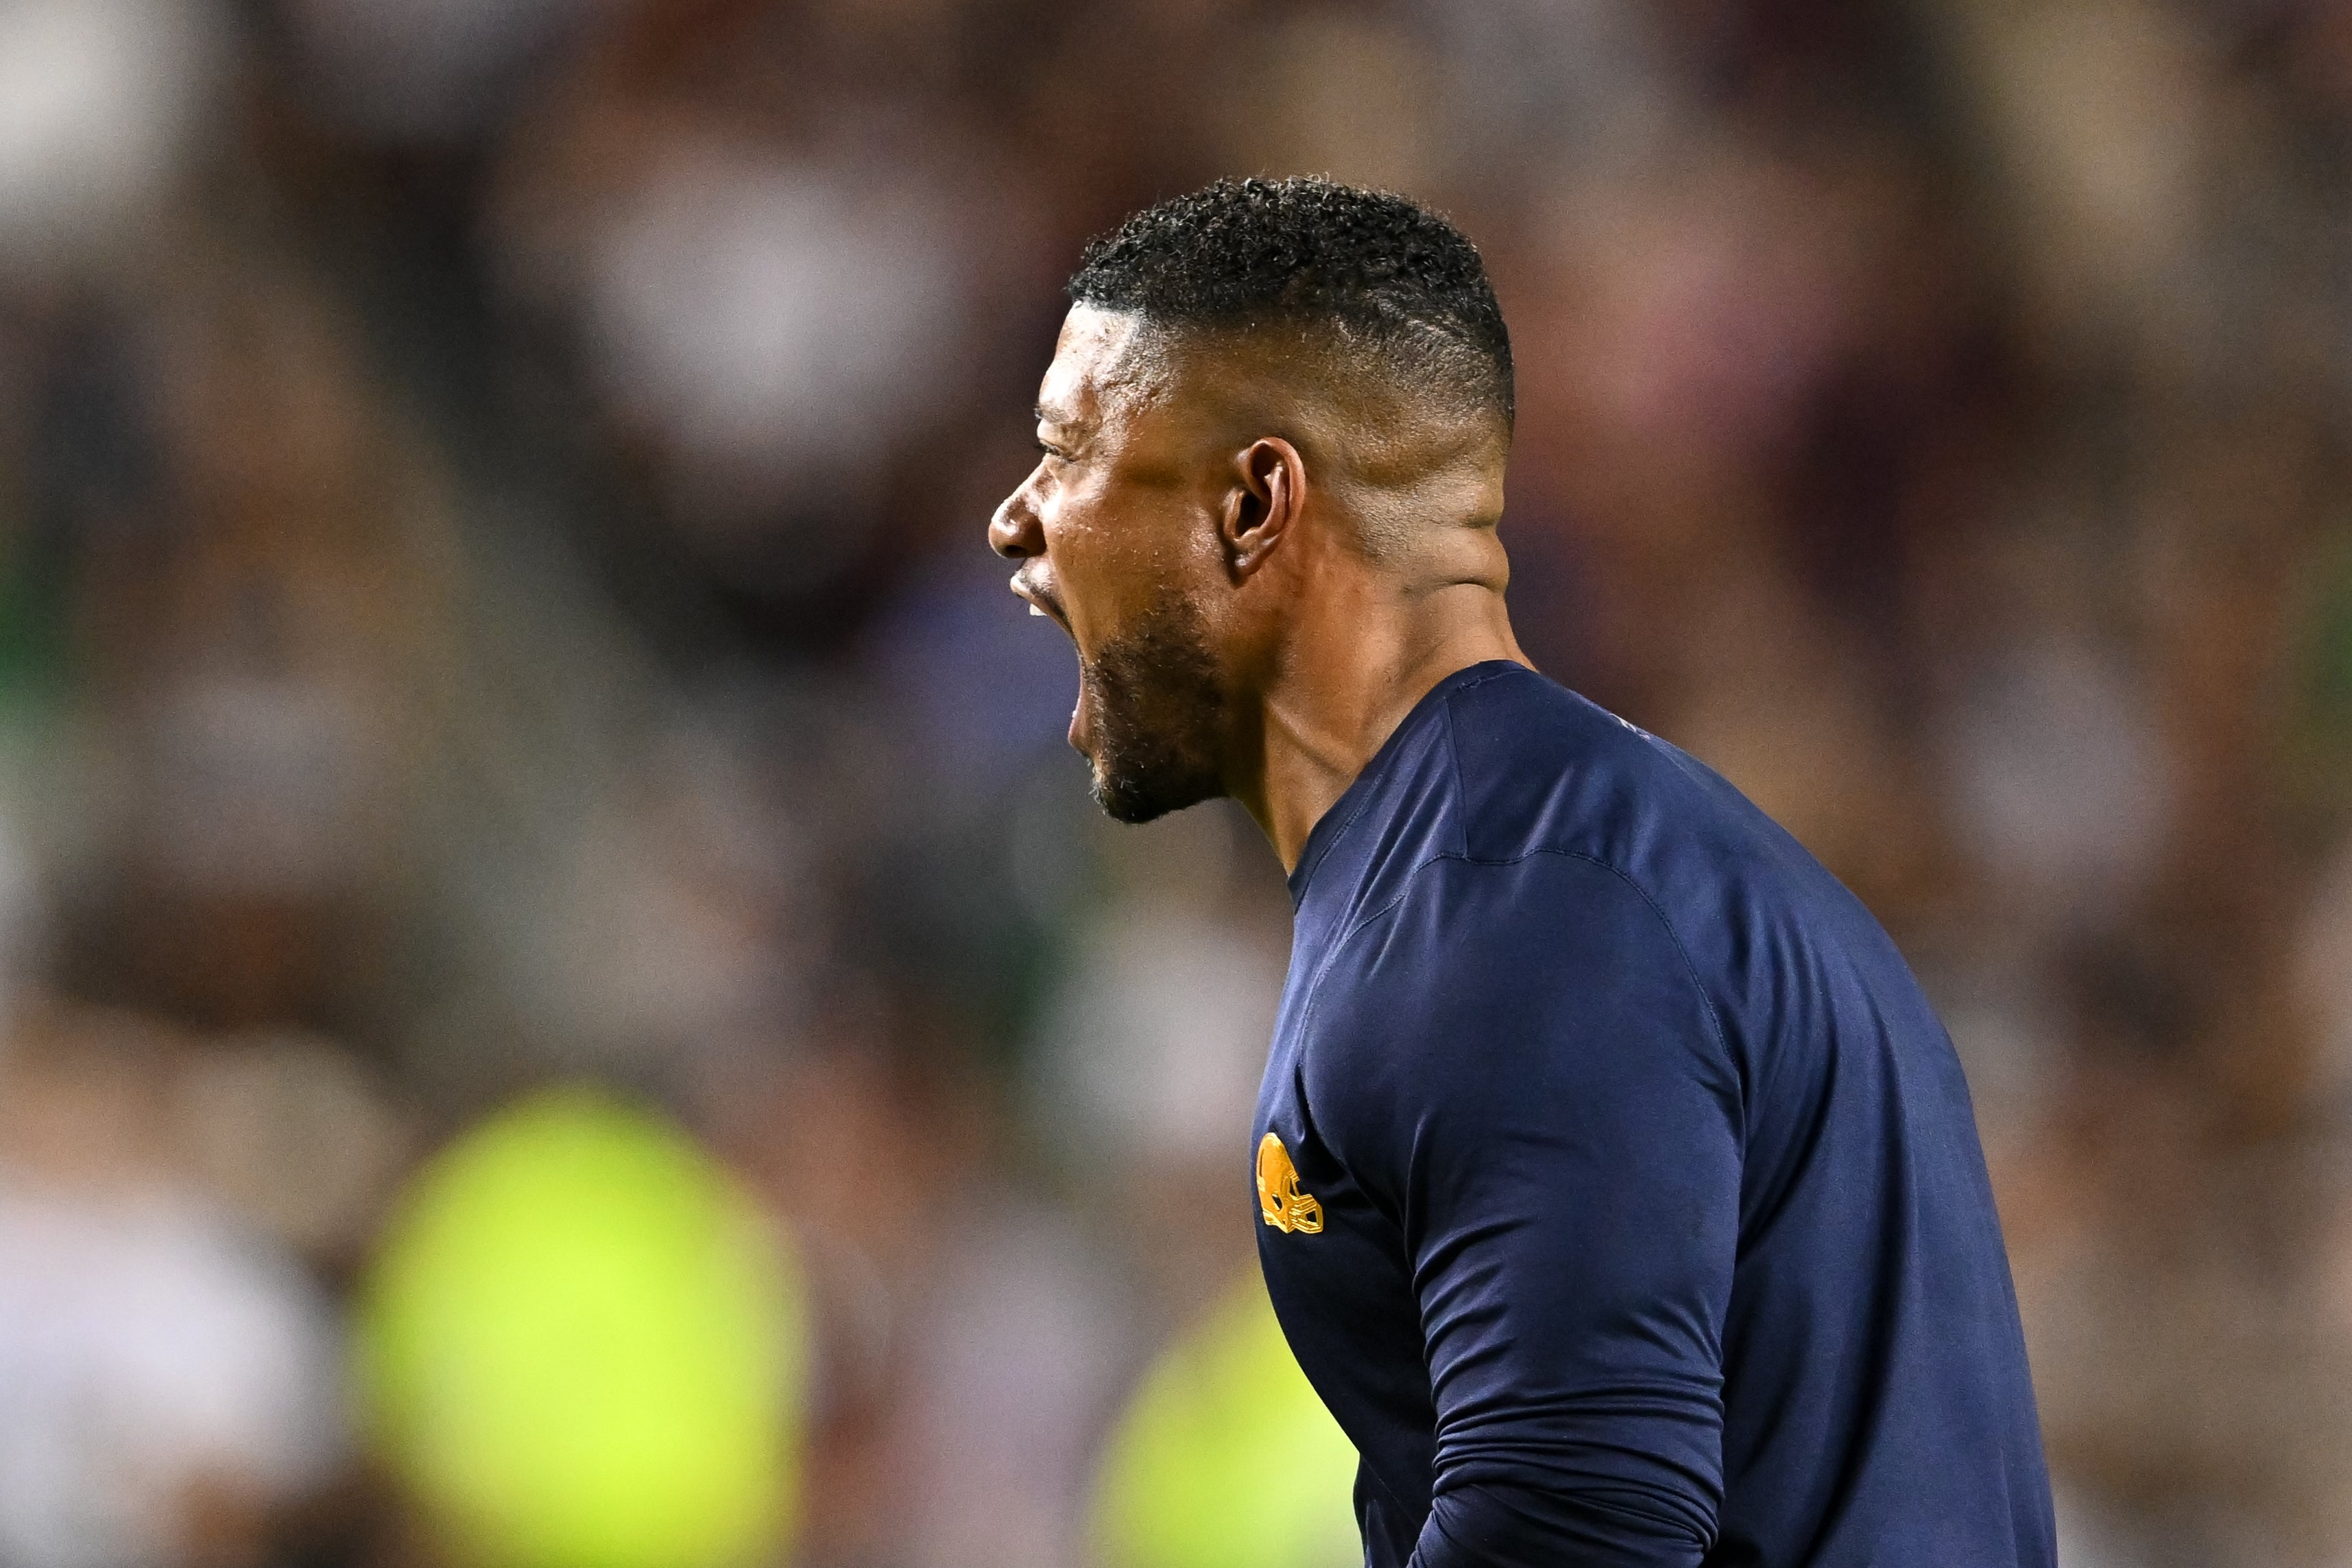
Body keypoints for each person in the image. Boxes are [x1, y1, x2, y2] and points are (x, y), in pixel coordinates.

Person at [987, 176, 2055, 1568]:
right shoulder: (1521, 862)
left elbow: (1575, 1527)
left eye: (1068, 452)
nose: (1015, 522)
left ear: (1254, 503)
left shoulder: (1517, 920)